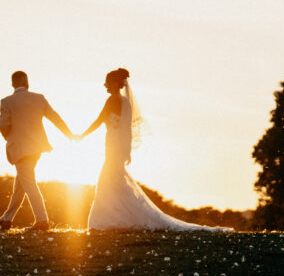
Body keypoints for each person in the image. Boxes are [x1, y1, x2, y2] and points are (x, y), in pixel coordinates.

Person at [76, 68, 230, 232]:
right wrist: (126, 151)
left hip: (113, 148)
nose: (105, 85)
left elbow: (99, 121)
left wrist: (81, 135)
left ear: (114, 83)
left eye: (107, 81)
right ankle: (117, 218)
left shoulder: (112, 100)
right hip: (118, 148)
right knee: (115, 183)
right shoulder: (125, 102)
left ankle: (109, 220)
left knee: (108, 182)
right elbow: (126, 128)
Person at [0, 70, 73, 231]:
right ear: (27, 83)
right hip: (36, 148)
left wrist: (10, 138)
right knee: (21, 183)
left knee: (28, 183)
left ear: (12, 84)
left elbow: (3, 125)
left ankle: (42, 220)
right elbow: (54, 117)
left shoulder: (6, 102)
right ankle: (7, 219)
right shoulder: (39, 98)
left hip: (19, 148)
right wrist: (69, 134)